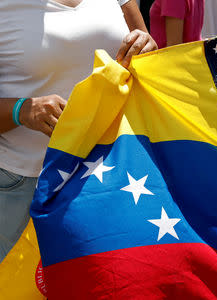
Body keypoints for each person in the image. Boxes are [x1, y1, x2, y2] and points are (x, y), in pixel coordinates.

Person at [0, 0, 157, 263]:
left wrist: (146, 47)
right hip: (24, 184)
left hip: (110, 175)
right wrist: (22, 110)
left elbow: (150, 61)